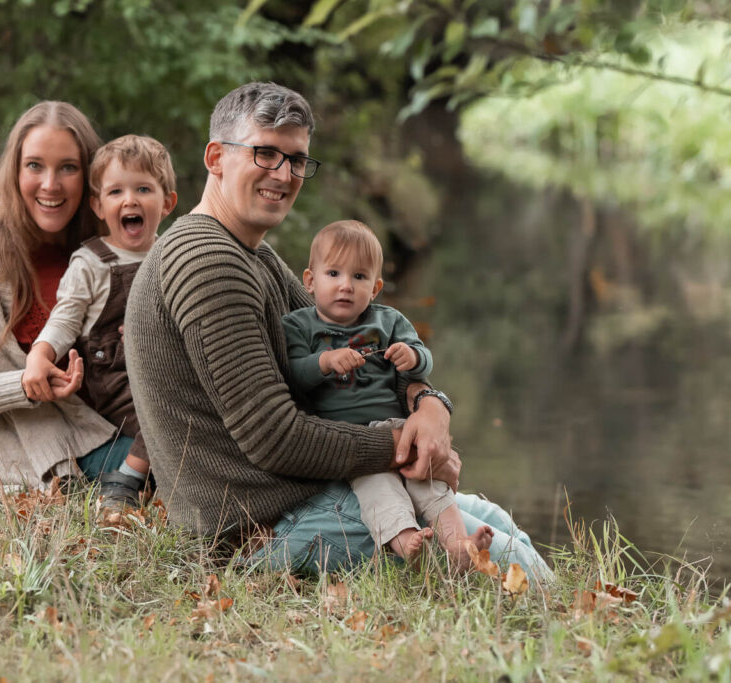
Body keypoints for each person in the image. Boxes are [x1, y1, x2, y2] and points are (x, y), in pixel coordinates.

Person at [125, 82, 553, 582]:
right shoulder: (208, 261)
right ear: (216, 157)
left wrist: (430, 405)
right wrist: (403, 443)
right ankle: (567, 643)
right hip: (259, 527)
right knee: (510, 561)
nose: (283, 174)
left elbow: (362, 349)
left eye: (297, 159)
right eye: (265, 153)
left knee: (498, 522)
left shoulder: (250, 252)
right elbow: (274, 437)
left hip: (305, 495)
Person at [0, 101, 132, 490]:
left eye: (68, 167)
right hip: (28, 440)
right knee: (176, 470)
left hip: (113, 420)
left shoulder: (105, 246)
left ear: (90, 176)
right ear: (14, 172)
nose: (50, 184)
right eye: (35, 165)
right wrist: (25, 385)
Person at [282, 220, 493, 568]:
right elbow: (292, 377)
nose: (346, 286)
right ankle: (406, 540)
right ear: (310, 280)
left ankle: (458, 546)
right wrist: (325, 361)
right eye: (333, 273)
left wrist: (412, 357)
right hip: (353, 439)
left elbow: (422, 361)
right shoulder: (300, 326)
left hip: (399, 425)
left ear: (376, 287)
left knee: (428, 481)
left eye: (359, 277)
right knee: (379, 489)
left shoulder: (388, 322)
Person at [21, 135, 178, 509]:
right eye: (116, 192)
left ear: (168, 202)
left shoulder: (173, 252)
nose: (130, 200)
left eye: (144, 188)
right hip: (119, 380)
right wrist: (40, 354)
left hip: (169, 367)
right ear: (98, 205)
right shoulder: (91, 262)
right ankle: (128, 478)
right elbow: (65, 318)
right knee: (163, 411)